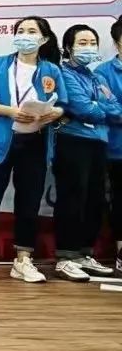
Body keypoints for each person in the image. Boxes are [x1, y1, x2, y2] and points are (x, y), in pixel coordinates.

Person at [0, 17, 65, 285]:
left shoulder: (51, 70)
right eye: (21, 30)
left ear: (43, 39)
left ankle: (23, 260)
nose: (25, 35)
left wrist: (52, 113)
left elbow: (63, 104)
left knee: (29, 204)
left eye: (31, 31)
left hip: (35, 143)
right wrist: (11, 111)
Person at [53, 24, 120, 281]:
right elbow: (83, 108)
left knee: (95, 199)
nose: (88, 47)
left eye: (92, 43)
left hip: (99, 142)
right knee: (73, 197)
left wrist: (98, 107)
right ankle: (66, 257)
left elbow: (114, 108)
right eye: (82, 43)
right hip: (73, 141)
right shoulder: (64, 74)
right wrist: (99, 108)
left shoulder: (96, 77)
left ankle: (84, 253)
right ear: (68, 47)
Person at [96, 15, 122, 276]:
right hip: (117, 149)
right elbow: (109, 109)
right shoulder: (103, 73)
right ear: (117, 42)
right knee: (120, 200)